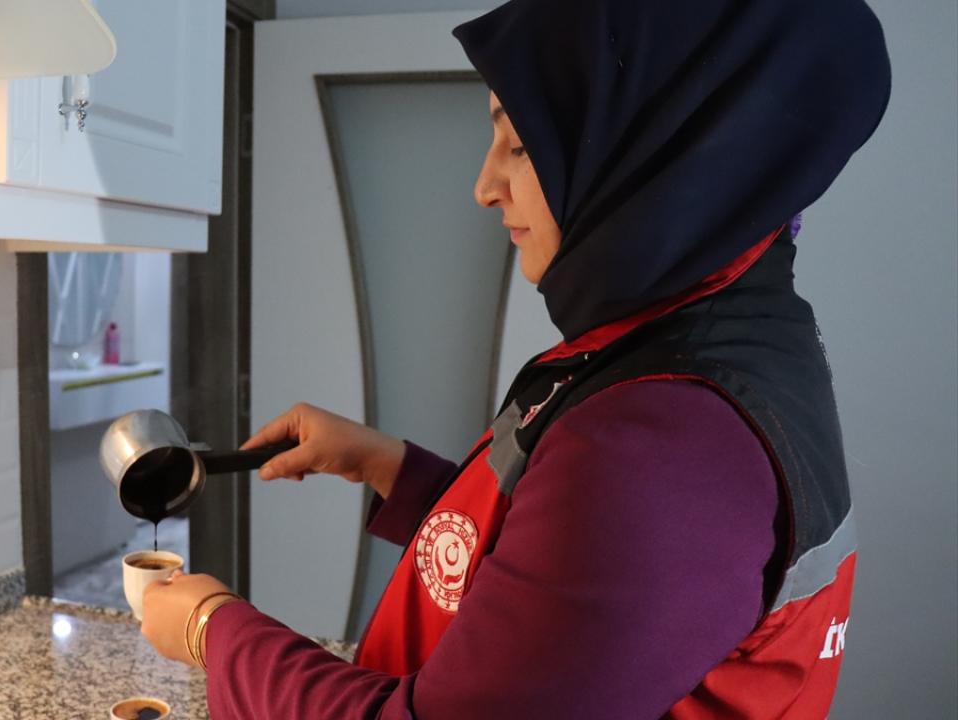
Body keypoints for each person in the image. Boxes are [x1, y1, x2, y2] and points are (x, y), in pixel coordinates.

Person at [140, 0, 892, 716]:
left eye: (520, 145)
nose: (484, 187)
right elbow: (556, 591)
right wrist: (389, 466)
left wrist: (214, 628)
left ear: (654, 149)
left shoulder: (664, 446)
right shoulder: (712, 340)